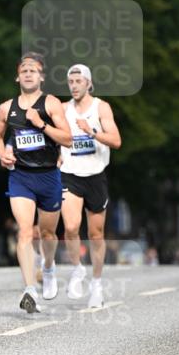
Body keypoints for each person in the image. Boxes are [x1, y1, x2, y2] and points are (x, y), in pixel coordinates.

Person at [0, 52, 72, 314]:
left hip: (49, 176)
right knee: (25, 232)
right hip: (21, 176)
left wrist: (41, 125)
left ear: (41, 77)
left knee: (48, 233)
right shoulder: (6, 107)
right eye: (24, 70)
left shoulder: (51, 104)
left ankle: (48, 267)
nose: (28, 73)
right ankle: (29, 288)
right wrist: (1, 152)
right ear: (17, 76)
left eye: (33, 70)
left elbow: (68, 139)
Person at [60, 64, 122, 308]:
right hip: (69, 174)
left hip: (96, 175)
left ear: (88, 83)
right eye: (71, 81)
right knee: (72, 227)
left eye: (78, 81)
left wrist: (92, 131)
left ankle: (97, 283)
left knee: (96, 235)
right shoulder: (63, 109)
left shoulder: (101, 107)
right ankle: (77, 269)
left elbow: (116, 141)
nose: (74, 85)